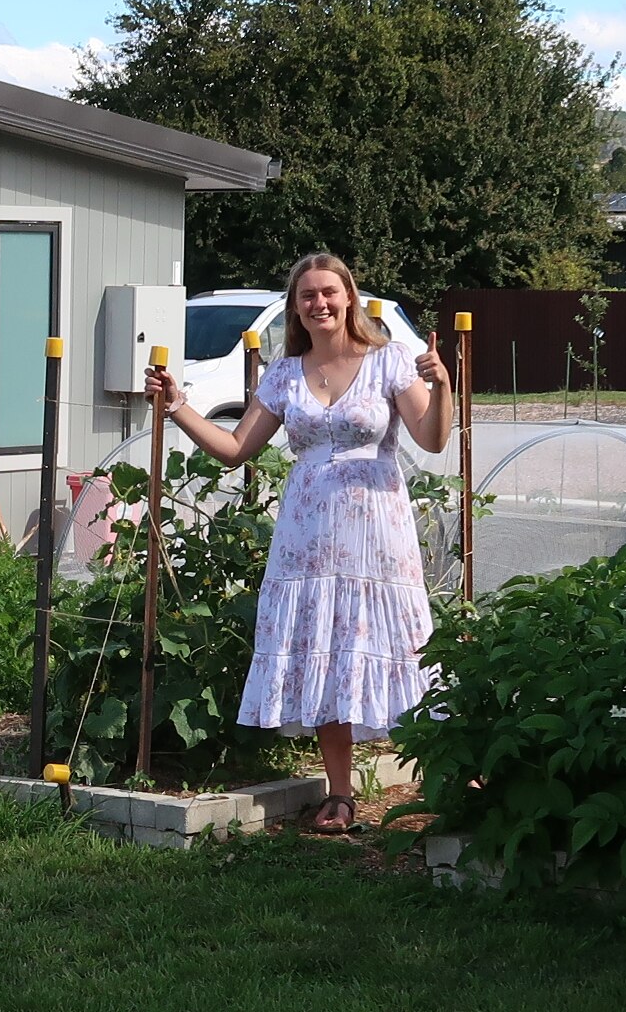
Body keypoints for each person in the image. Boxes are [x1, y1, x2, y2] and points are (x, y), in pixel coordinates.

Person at [143, 251, 448, 833]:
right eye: (308, 295)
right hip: (307, 539)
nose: (320, 303)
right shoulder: (285, 374)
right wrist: (178, 405)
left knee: (402, 645)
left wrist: (444, 385)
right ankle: (339, 794)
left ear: (349, 297)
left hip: (375, 534)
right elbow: (238, 449)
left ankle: (447, 775)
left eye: (329, 292)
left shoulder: (389, 362)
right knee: (326, 651)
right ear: (296, 308)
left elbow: (432, 440)